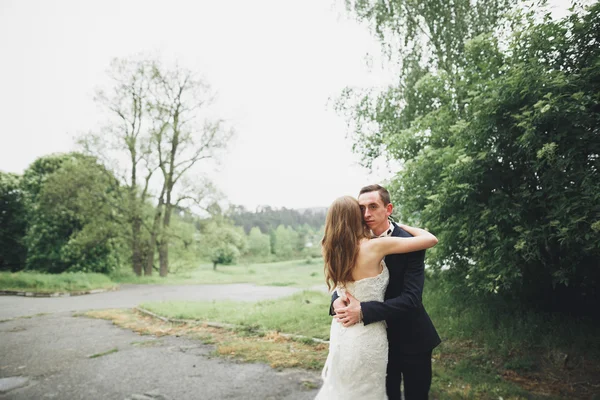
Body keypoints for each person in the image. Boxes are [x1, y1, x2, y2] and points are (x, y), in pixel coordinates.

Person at [315, 195, 438, 400]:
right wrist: (336, 300)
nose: (366, 214)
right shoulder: (368, 245)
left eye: (372, 207)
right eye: (361, 208)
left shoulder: (332, 246)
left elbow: (411, 298)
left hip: (408, 337)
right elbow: (341, 287)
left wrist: (360, 309)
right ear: (356, 215)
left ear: (388, 209)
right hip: (367, 337)